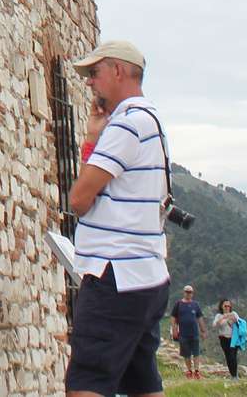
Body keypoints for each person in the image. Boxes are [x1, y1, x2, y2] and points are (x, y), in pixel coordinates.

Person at [63, 39, 171, 397]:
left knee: (87, 383)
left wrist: (92, 142)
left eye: (94, 73)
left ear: (118, 71)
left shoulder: (125, 125)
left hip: (114, 274)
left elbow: (79, 199)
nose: (89, 83)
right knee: (141, 380)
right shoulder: (152, 119)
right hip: (147, 275)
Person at [170, 285, 204, 379]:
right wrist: (174, 330)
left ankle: (197, 371)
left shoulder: (195, 304)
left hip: (194, 333)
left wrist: (203, 330)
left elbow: (200, 317)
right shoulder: (178, 304)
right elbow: (173, 317)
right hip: (183, 333)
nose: (188, 293)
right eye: (187, 292)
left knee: (196, 352)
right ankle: (189, 371)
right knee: (186, 353)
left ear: (192, 293)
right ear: (184, 292)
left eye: (190, 292)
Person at [212, 299, 244, 379]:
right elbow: (215, 325)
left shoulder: (234, 313)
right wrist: (223, 317)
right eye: (225, 306)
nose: (227, 307)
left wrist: (231, 317)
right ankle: (232, 374)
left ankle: (235, 375)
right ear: (222, 306)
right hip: (223, 338)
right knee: (228, 357)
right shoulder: (219, 316)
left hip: (233, 338)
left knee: (232, 356)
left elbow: (238, 321)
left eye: (229, 306)